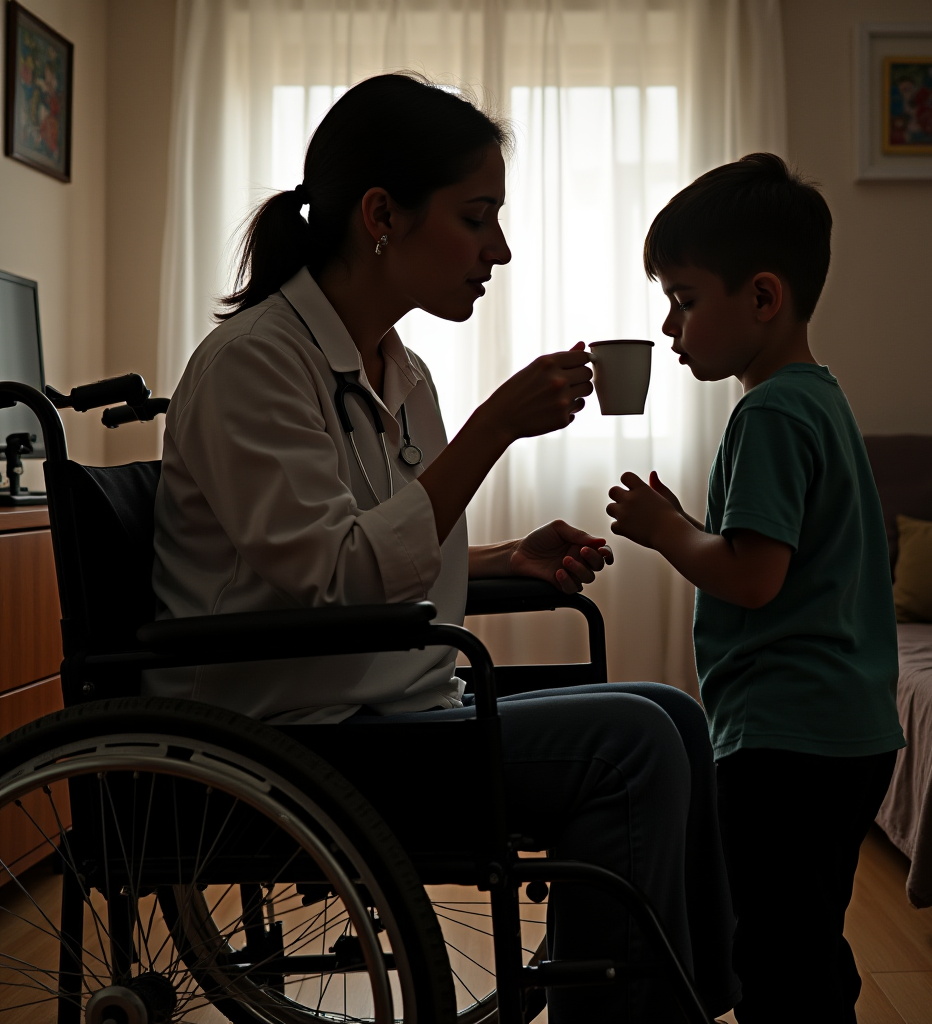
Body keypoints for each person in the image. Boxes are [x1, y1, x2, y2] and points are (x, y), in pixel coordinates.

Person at [147, 73, 738, 1021]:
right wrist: (491, 430)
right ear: (381, 214)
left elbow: (368, 545)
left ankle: (677, 1006)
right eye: (478, 218)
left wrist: (504, 560)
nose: (499, 249)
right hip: (291, 737)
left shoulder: (397, 367)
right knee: (631, 748)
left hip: (379, 698)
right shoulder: (255, 364)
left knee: (673, 713)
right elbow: (339, 576)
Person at [606, 153, 906, 1023]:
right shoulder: (819, 398)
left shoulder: (769, 412)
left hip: (789, 735)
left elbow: (754, 575)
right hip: (845, 729)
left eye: (687, 300)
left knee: (775, 948)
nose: (670, 326)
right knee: (807, 933)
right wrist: (686, 525)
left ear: (763, 299)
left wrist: (668, 535)